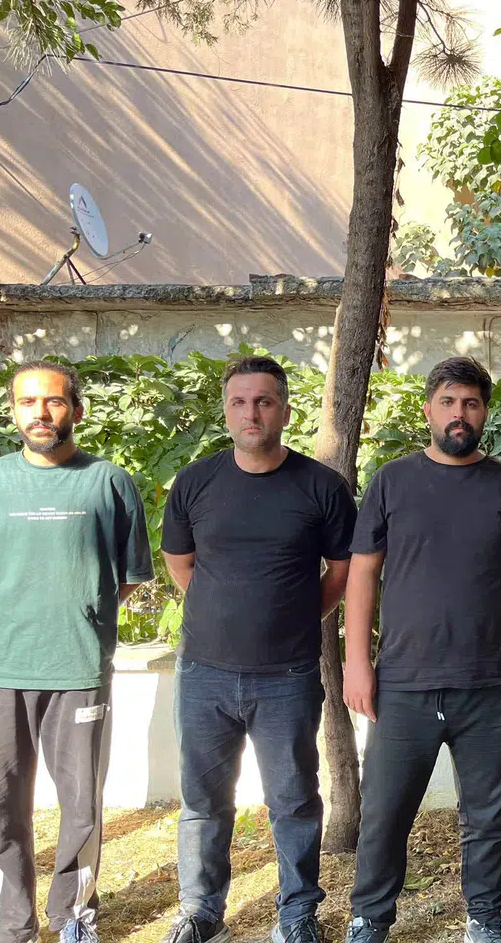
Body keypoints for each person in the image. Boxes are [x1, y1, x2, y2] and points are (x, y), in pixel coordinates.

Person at [0, 360, 153, 943]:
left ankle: (72, 918)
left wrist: (79, 611)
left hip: (78, 667)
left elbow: (128, 577)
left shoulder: (109, 482)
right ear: (13, 411)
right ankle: (14, 924)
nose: (40, 412)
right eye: (27, 402)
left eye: (54, 401)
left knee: (81, 803)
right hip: (1, 668)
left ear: (76, 411)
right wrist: (17, 609)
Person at [342, 356, 501, 943]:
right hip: (402, 684)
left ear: (484, 413)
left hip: (490, 685)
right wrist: (357, 663)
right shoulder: (392, 481)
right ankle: (370, 917)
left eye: (472, 404)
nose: (460, 414)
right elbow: (362, 573)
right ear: (429, 409)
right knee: (385, 813)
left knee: (486, 817)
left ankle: (484, 917)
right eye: (449, 402)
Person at [159, 355, 357, 943]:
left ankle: (296, 915)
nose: (252, 413)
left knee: (293, 800)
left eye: (264, 401)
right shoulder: (195, 482)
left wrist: (293, 615)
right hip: (204, 674)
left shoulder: (322, 486)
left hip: (287, 676)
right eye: (240, 402)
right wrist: (223, 611)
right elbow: (180, 563)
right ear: (226, 411)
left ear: (285, 411)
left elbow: (342, 571)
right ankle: (202, 913)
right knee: (203, 801)